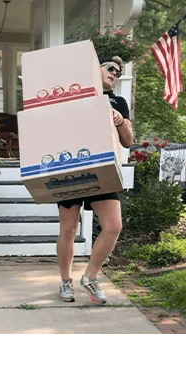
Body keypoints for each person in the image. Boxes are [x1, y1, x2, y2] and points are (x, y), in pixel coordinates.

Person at [57, 55, 134, 304]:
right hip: (72, 166)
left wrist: (119, 120)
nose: (115, 73)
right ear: (96, 67)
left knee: (113, 226)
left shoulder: (118, 102)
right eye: (110, 68)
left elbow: (128, 140)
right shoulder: (74, 94)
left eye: (118, 72)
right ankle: (65, 282)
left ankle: (90, 277)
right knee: (69, 228)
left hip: (103, 169)